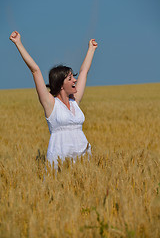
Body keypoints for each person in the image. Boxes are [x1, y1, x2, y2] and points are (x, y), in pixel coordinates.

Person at [9, 31, 98, 170]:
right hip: (60, 159)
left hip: (82, 158)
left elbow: (84, 71)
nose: (75, 80)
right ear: (61, 84)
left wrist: (91, 49)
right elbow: (35, 70)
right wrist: (18, 43)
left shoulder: (75, 101)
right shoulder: (51, 104)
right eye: (70, 78)